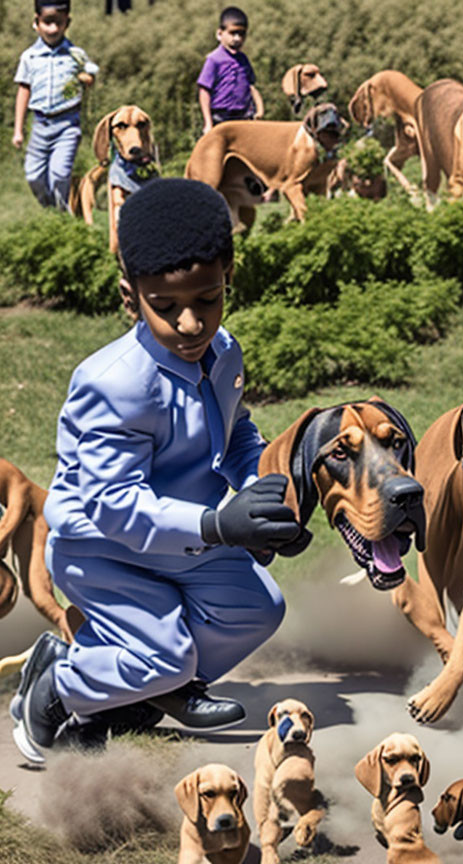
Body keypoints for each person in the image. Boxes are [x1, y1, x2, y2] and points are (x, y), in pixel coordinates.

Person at [12, 178, 310, 764]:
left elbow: (239, 431)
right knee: (166, 654)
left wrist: (264, 492)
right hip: (101, 550)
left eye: (208, 299)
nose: (192, 323)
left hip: (193, 535)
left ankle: (137, 691)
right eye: (166, 307)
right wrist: (222, 525)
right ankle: (61, 681)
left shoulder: (223, 351)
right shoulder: (113, 384)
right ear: (131, 297)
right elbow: (115, 505)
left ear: (228, 277)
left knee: (259, 609)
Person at [13, 1, 99, 210]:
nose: (52, 29)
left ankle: (62, 215)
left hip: (67, 124)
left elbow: (90, 75)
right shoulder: (29, 57)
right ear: (36, 23)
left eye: (58, 23)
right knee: (34, 175)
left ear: (67, 23)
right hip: (40, 125)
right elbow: (24, 91)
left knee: (59, 174)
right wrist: (18, 130)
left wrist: (87, 78)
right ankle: (49, 209)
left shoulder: (75, 54)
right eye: (47, 23)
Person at [197, 5, 264, 134]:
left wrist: (260, 109)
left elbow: (251, 86)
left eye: (242, 34)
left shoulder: (243, 59)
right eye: (232, 33)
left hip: (243, 116)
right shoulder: (213, 60)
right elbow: (204, 91)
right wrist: (208, 122)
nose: (237, 39)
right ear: (220, 34)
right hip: (220, 117)